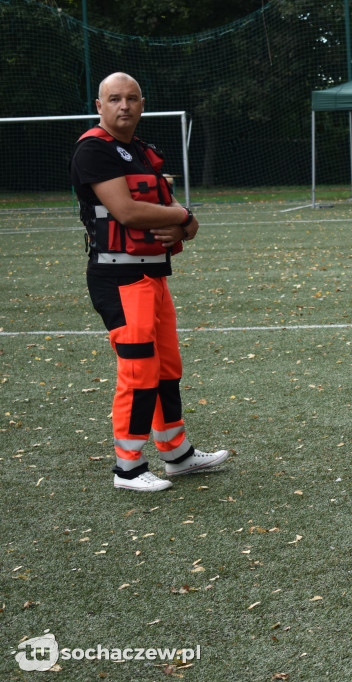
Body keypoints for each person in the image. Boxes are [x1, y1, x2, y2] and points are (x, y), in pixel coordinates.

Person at [69, 72, 229, 492]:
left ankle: (176, 453)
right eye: (115, 99)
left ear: (142, 104)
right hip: (118, 279)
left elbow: (173, 210)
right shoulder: (93, 150)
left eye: (132, 98)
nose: (124, 106)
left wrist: (185, 222)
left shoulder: (142, 151)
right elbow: (128, 212)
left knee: (166, 366)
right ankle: (128, 468)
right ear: (99, 106)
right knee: (138, 370)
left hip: (152, 275)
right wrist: (184, 218)